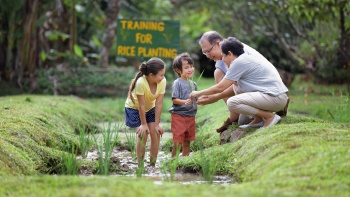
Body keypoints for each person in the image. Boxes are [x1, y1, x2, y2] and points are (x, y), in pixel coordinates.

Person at [198, 31, 289, 132]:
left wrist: (209, 96)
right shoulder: (224, 57)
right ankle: (252, 117)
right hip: (257, 91)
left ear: (218, 44)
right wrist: (215, 97)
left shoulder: (239, 54)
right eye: (204, 53)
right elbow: (236, 85)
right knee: (243, 121)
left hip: (268, 91)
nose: (207, 55)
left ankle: (268, 115)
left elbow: (222, 87)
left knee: (233, 102)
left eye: (208, 51)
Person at [124, 57, 166, 167]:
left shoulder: (162, 81)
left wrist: (156, 124)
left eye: (163, 74)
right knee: (144, 134)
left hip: (150, 108)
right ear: (151, 75)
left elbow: (159, 103)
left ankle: (152, 165)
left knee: (155, 134)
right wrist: (143, 124)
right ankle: (140, 166)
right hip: (134, 109)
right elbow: (141, 105)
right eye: (161, 75)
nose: (163, 77)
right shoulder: (140, 83)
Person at [169, 53, 197, 158]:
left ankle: (185, 160)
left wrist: (203, 99)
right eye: (186, 68)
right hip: (179, 116)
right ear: (178, 70)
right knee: (178, 141)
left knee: (187, 140)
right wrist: (184, 101)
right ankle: (173, 162)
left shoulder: (193, 84)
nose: (190, 69)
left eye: (191, 67)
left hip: (191, 116)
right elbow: (174, 99)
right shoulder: (178, 83)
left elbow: (196, 99)